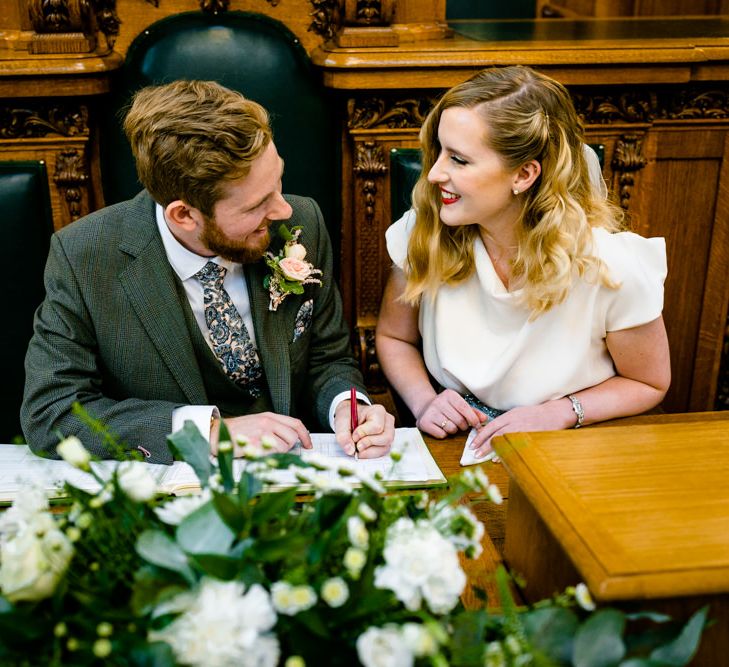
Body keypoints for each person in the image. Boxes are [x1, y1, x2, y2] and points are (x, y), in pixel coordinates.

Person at [22, 80, 394, 463]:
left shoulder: (302, 222)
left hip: (296, 476)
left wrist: (347, 409)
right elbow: (53, 412)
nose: (283, 210)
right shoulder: (85, 257)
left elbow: (326, 359)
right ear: (184, 215)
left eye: (278, 181)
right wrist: (208, 433)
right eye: (256, 204)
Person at [376, 65, 670, 459]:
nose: (434, 173)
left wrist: (561, 413)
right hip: (456, 447)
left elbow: (648, 382)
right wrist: (424, 401)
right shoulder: (424, 231)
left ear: (525, 173)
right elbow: (394, 338)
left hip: (574, 447)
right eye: (439, 152)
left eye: (459, 160)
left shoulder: (609, 266)